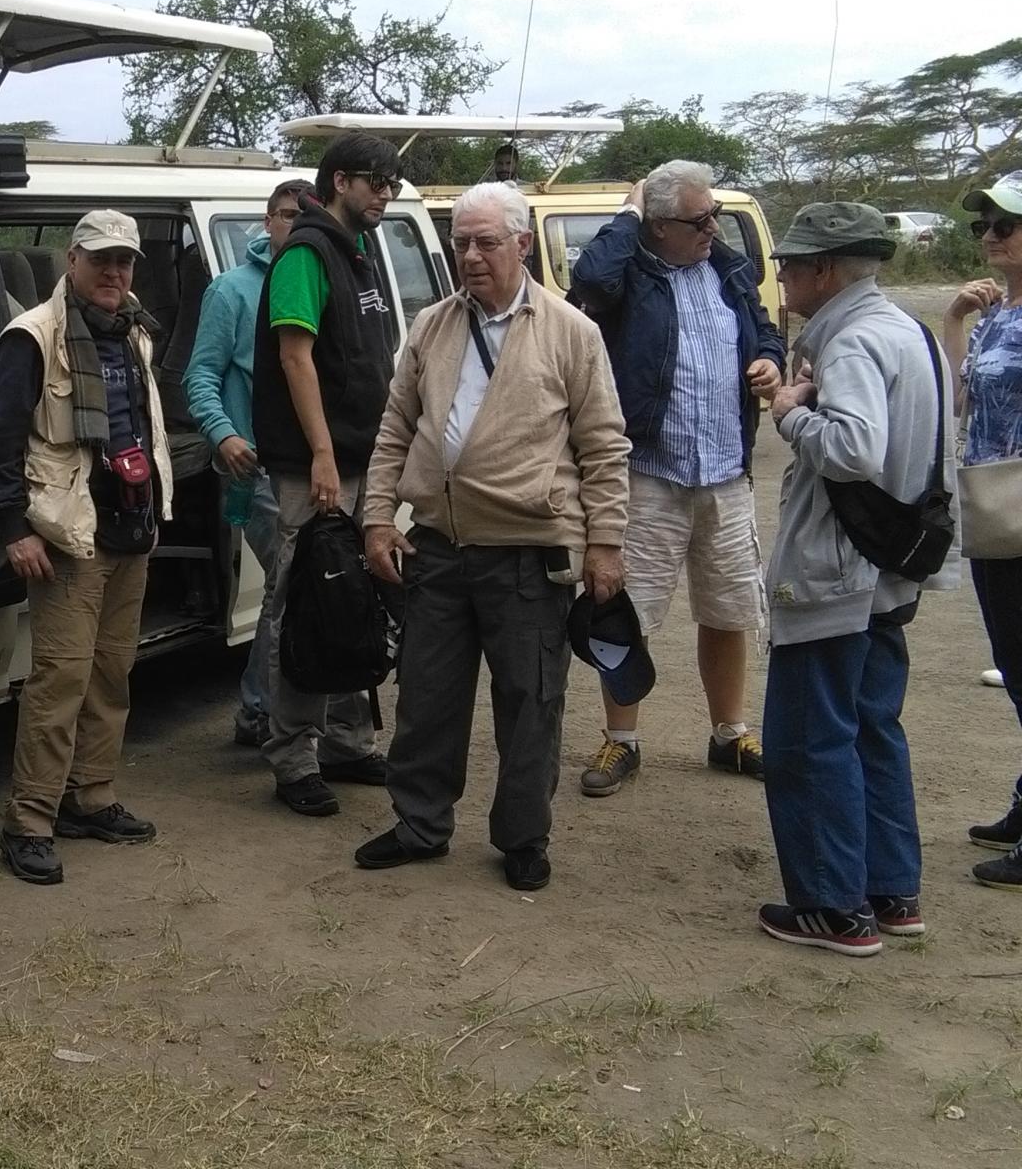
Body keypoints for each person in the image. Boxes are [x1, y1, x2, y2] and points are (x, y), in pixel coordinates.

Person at [359, 182, 631, 891]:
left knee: (530, 702)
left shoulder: (572, 331)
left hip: (529, 553)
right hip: (439, 548)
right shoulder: (432, 326)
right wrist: (378, 517)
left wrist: (605, 544)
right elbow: (394, 431)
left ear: (521, 245)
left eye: (485, 242)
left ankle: (522, 838)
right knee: (425, 699)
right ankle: (420, 826)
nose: (471, 257)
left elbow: (604, 446)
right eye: (460, 243)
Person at [757, 202, 947, 954]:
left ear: (825, 270)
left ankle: (832, 907)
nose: (783, 275)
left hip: (838, 573)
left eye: (792, 264)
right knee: (873, 728)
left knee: (809, 738)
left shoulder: (855, 342)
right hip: (888, 568)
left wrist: (789, 411)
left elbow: (854, 450)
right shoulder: (909, 331)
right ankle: (890, 890)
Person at [568, 161, 786, 796]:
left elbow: (767, 335)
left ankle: (729, 734)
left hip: (724, 474)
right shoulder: (627, 275)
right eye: (699, 220)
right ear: (658, 226)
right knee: (625, 614)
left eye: (715, 215)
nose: (713, 230)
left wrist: (770, 363)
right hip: (649, 473)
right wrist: (629, 211)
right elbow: (588, 277)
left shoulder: (729, 273)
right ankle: (622, 740)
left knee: (728, 609)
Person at [0, 209, 171, 885]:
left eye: (124, 261)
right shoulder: (31, 338)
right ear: (72, 261)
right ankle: (28, 822)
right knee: (59, 682)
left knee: (112, 673)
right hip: (67, 537)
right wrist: (14, 528)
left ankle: (90, 797)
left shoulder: (135, 331)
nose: (113, 272)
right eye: (100, 260)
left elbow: (142, 430)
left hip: (129, 528)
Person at [250, 132, 400, 815]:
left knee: (357, 604)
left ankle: (347, 740)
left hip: (364, 461)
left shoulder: (359, 253)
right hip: (318, 469)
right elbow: (295, 359)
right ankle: (293, 757)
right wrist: (320, 456)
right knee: (308, 606)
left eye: (392, 185)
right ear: (341, 181)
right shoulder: (305, 254)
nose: (386, 195)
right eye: (377, 183)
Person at [184, 178, 311, 747]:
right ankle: (260, 710)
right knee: (290, 584)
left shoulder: (317, 281)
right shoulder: (232, 290)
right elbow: (200, 376)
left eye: (304, 216)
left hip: (313, 467)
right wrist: (223, 435)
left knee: (299, 584)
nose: (292, 225)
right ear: (267, 220)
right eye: (285, 214)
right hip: (256, 466)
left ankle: (277, 709)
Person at [945, 170, 1022, 891]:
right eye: (985, 227)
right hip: (996, 508)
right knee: (1015, 660)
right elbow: (965, 398)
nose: (990, 237)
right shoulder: (1000, 313)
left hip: (1016, 507)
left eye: (1004, 225)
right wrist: (955, 322)